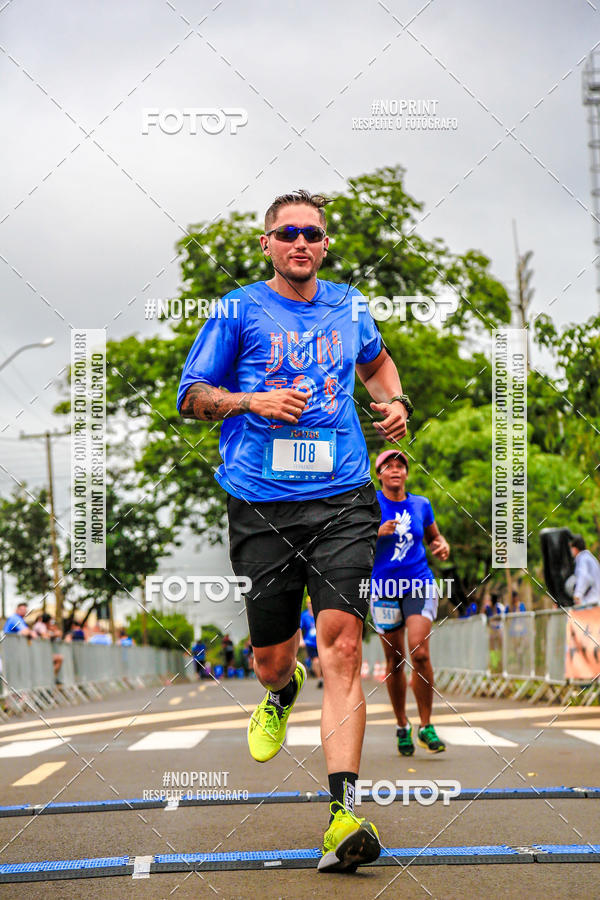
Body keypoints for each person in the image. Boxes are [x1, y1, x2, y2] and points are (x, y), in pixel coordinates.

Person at [178, 189, 410, 873]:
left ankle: (343, 815)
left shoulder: (350, 305)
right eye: (287, 234)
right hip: (260, 503)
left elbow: (377, 365)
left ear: (325, 243)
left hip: (343, 497)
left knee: (342, 646)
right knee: (273, 658)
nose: (300, 243)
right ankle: (280, 691)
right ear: (267, 244)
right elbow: (191, 394)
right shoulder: (236, 310)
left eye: (311, 233)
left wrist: (391, 402)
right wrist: (252, 400)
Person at [370, 450, 450, 757]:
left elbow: (434, 537)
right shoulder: (371, 503)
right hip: (384, 587)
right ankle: (402, 725)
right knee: (394, 661)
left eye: (400, 465)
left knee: (420, 652)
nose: (395, 469)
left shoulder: (421, 504)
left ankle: (426, 725)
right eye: (388, 466)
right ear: (379, 474)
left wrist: (441, 545)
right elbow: (354, 539)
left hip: (418, 583)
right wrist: (376, 532)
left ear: (406, 473)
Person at [569, 535, 600, 607]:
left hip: (591, 601)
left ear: (575, 548)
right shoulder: (590, 558)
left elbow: (583, 576)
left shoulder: (582, 559)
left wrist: (577, 595)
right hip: (597, 599)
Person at [300, 596, 323, 687]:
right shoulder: (304, 615)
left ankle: (323, 676)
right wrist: (301, 640)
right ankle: (319, 678)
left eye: (312, 603)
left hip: (321, 642)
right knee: (316, 661)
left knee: (323, 661)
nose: (311, 605)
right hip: (310, 643)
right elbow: (299, 628)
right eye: (309, 603)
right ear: (307, 604)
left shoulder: (320, 613)